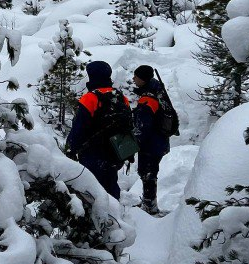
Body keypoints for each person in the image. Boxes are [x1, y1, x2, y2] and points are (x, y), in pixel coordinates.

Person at [66, 60, 133, 200]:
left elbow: (79, 127)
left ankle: (98, 218)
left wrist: (70, 148)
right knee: (111, 183)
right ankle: (116, 216)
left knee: (93, 190)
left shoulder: (90, 98)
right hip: (116, 150)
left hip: (93, 153)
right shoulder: (121, 97)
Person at [132, 64, 171, 215]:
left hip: (151, 144)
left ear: (143, 79)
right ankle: (149, 203)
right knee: (150, 172)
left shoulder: (148, 99)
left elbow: (143, 127)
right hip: (160, 140)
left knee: (147, 173)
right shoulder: (158, 91)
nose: (133, 79)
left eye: (136, 76)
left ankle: (149, 206)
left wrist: (135, 143)